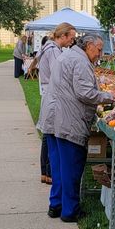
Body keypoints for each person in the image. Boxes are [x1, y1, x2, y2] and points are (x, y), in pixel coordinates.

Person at [48, 33, 115, 222]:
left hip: (61, 116)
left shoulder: (70, 55)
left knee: (63, 168)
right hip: (71, 119)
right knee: (72, 168)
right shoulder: (79, 61)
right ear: (88, 46)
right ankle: (70, 211)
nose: (99, 54)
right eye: (98, 50)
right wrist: (109, 96)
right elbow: (85, 93)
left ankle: (57, 205)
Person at [36, 23, 76, 185]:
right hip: (52, 95)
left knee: (48, 134)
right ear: (63, 36)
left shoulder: (51, 48)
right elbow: (58, 74)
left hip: (49, 92)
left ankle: (46, 172)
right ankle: (49, 172)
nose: (72, 42)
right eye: (71, 38)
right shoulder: (53, 50)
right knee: (50, 134)